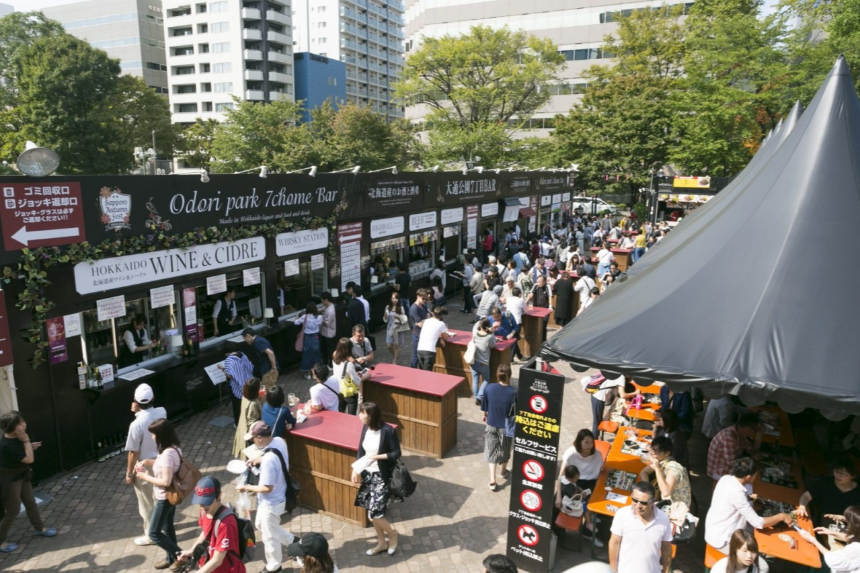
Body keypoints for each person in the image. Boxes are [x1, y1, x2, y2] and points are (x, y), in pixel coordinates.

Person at [236, 421, 296, 573]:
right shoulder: (278, 441)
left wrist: (246, 487)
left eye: (253, 438)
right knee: (261, 525)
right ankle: (292, 541)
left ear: (259, 438)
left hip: (271, 502)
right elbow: (275, 454)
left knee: (269, 538)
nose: (252, 441)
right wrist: (257, 459)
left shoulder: (269, 460)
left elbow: (266, 488)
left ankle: (274, 566)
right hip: (279, 495)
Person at [705, 457, 793, 553]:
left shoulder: (725, 479)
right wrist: (781, 516)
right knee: (760, 561)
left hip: (712, 530)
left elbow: (732, 500)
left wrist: (751, 498)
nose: (755, 478)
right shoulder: (737, 493)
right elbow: (758, 523)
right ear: (748, 477)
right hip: (723, 541)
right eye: (755, 476)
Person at [0, 411, 57, 554]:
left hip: (21, 475)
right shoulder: (7, 443)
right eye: (20, 423)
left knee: (30, 502)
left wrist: (29, 445)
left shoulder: (16, 437)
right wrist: (26, 442)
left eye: (23, 422)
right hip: (10, 479)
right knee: (13, 510)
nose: (24, 425)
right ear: (12, 426)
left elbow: (21, 452)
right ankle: (1, 541)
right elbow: (29, 460)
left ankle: (40, 528)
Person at [352, 402, 401, 556]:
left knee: (375, 515)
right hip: (368, 475)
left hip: (381, 476)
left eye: (362, 413)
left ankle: (392, 535)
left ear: (371, 415)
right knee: (372, 514)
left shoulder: (388, 431)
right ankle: (382, 542)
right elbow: (361, 450)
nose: (359, 416)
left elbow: (396, 453)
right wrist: (355, 468)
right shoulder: (365, 428)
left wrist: (377, 457)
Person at [135, 418, 183, 570]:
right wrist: (149, 462)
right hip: (170, 495)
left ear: (161, 435)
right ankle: (171, 558)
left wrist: (145, 477)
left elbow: (165, 481)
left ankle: (181, 555)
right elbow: (165, 465)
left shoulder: (168, 453)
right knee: (168, 528)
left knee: (154, 532)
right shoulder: (173, 448)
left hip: (165, 498)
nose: (152, 437)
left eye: (154, 434)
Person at [124, 383, 167, 546]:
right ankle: (161, 526)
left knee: (147, 502)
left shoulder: (136, 425)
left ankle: (151, 534)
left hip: (145, 467)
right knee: (159, 497)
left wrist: (129, 473)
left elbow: (133, 452)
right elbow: (150, 414)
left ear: (135, 401)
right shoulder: (162, 412)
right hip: (162, 462)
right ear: (153, 398)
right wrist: (139, 412)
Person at [176, 476, 247, 573]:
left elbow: (217, 560)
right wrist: (191, 551)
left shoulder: (226, 523)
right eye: (200, 502)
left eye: (207, 502)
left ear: (219, 496)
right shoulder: (204, 511)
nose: (203, 506)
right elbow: (206, 532)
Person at [608, 481, 673, 573]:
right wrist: (613, 569)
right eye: (635, 500)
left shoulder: (663, 519)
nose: (638, 506)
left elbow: (666, 548)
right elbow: (614, 543)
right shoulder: (622, 514)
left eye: (644, 503)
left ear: (652, 501)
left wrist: (666, 571)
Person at [797, 455, 860, 528]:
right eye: (836, 471)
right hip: (822, 520)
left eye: (843, 474)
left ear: (853, 476)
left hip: (848, 525)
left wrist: (841, 518)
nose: (838, 475)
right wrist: (802, 506)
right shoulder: (825, 482)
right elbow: (806, 496)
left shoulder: (858, 492)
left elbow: (857, 517)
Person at [481, 364, 517, 491]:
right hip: (506, 427)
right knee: (505, 449)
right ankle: (503, 471)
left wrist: (485, 415)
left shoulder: (489, 387)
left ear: (497, 375)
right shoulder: (513, 392)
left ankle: (492, 479)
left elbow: (485, 404)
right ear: (509, 376)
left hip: (491, 423)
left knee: (491, 449)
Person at [799, 505, 860, 572]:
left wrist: (813, 540)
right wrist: (831, 532)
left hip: (835, 568)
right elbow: (851, 538)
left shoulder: (855, 548)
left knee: (812, 562)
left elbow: (832, 560)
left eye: (848, 522)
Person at [637, 435, 692, 507]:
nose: (654, 454)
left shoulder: (673, 468)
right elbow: (643, 472)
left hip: (677, 507)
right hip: (665, 501)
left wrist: (657, 468)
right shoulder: (661, 460)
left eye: (658, 451)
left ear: (667, 453)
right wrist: (647, 491)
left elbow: (666, 492)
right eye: (653, 449)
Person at [707, 414, 762, 481]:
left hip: (729, 466)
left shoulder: (739, 433)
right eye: (755, 431)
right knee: (752, 480)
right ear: (747, 428)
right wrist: (752, 459)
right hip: (719, 472)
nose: (754, 433)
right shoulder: (728, 437)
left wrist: (760, 434)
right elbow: (732, 464)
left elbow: (752, 450)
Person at [333, 338, 371, 415]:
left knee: (340, 413)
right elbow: (357, 381)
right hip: (350, 393)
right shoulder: (349, 364)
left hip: (339, 390)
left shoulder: (335, 358)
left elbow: (341, 374)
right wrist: (366, 376)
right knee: (351, 416)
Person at [232, 377, 262, 459]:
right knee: (253, 458)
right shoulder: (253, 404)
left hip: (242, 430)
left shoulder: (245, 397)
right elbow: (253, 423)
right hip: (251, 435)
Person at [221, 351, 254, 426]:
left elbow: (230, 375)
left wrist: (223, 369)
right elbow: (251, 366)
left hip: (238, 389)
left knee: (238, 408)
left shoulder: (229, 360)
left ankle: (239, 424)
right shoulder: (242, 354)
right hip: (249, 383)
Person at [470, 318, 498, 405]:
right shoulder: (489, 337)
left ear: (480, 326)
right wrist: (492, 332)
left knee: (475, 380)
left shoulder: (475, 334)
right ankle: (479, 397)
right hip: (483, 363)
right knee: (486, 379)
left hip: (473, 361)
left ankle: (476, 397)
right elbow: (493, 346)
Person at [295, 302, 323, 380]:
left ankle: (308, 374)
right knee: (316, 354)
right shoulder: (319, 317)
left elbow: (296, 323)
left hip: (306, 337)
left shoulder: (304, 316)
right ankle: (316, 372)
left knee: (307, 355)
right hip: (315, 337)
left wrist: (297, 316)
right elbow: (320, 323)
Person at [416, 307, 449, 371]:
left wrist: (439, 338)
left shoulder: (426, 321)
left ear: (433, 314)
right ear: (441, 315)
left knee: (421, 372)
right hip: (429, 351)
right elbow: (445, 337)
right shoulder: (441, 324)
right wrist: (441, 338)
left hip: (420, 349)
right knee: (427, 374)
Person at [409, 289, 429, 368]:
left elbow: (428, 316)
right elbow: (420, 324)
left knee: (422, 356)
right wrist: (427, 319)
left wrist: (425, 320)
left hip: (424, 334)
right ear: (418, 296)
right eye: (423, 298)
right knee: (415, 357)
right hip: (417, 335)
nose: (424, 300)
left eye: (426, 299)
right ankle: (412, 371)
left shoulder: (423, 306)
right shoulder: (414, 308)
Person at [319, 293, 337, 368]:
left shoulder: (331, 311)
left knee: (330, 350)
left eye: (322, 301)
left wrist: (320, 319)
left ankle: (331, 364)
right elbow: (323, 309)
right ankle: (325, 362)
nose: (322, 302)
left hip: (329, 333)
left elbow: (327, 323)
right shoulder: (328, 306)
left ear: (326, 300)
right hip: (325, 332)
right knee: (325, 349)